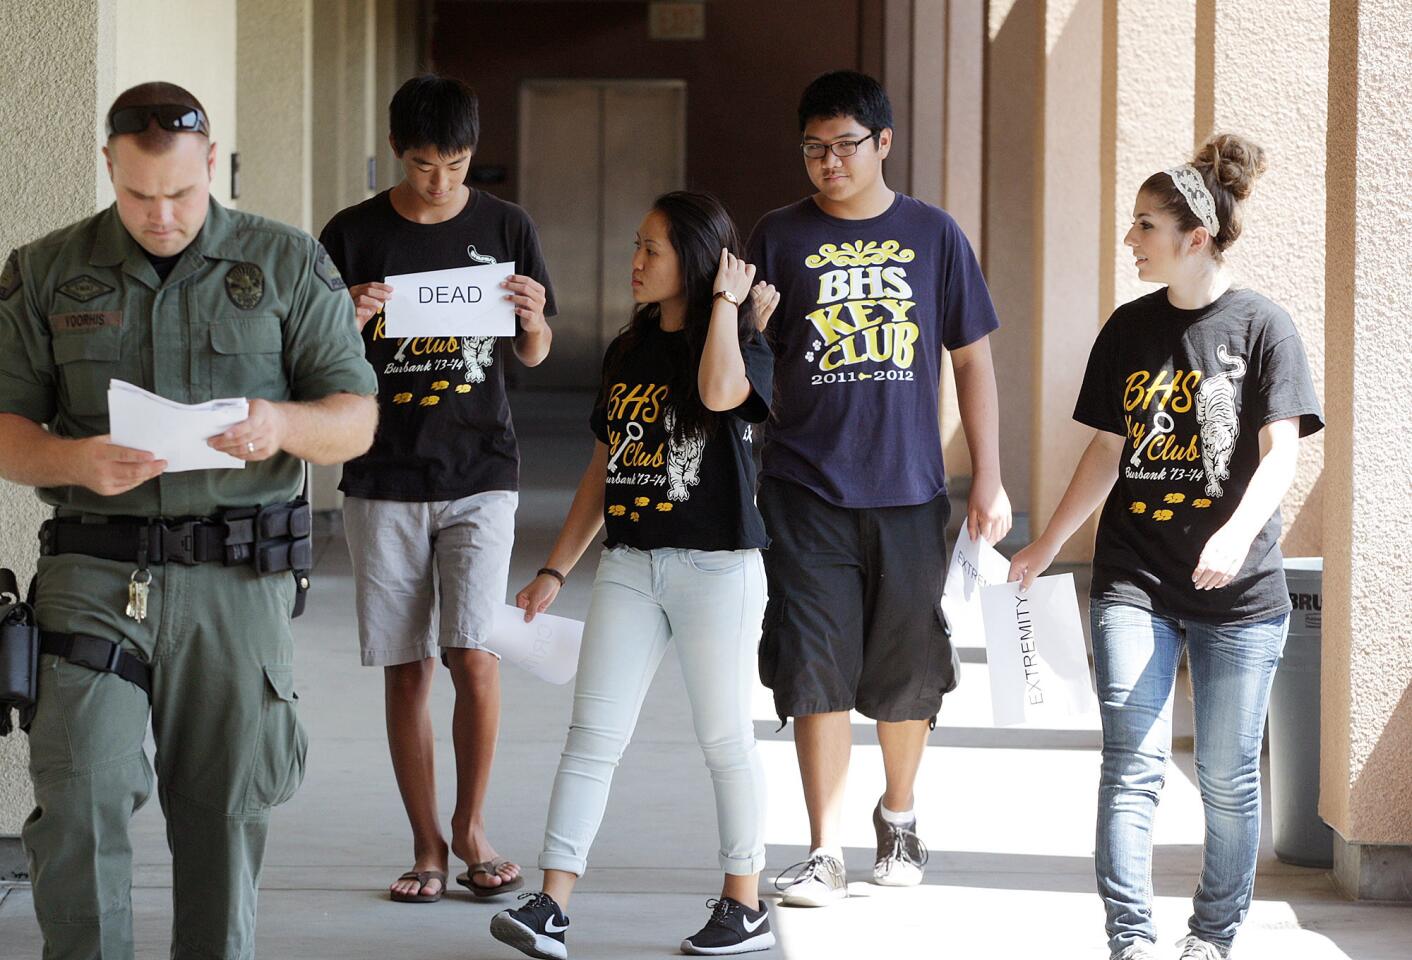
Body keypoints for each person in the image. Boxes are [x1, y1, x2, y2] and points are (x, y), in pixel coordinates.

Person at [0, 83, 378, 959]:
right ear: (108, 168)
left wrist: (281, 425)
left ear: (212, 163)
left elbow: (355, 417)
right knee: (81, 793)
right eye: (137, 195)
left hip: (235, 579)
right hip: (94, 574)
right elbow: (9, 429)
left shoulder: (285, 264)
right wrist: (73, 460)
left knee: (222, 812)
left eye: (179, 193)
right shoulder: (48, 269)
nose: (160, 215)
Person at [1007, 134, 1323, 960]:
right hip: (1135, 578)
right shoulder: (1129, 330)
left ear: (1197, 236)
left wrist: (1233, 530)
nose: (1131, 240)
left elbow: (1281, 450)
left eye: (1145, 225)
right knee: (1132, 764)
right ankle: (1133, 942)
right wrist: (1045, 545)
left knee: (1226, 777)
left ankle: (1211, 938)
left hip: (1241, 593)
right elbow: (1108, 451)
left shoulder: (1263, 328)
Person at [489, 192, 778, 959]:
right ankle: (551, 904)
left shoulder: (745, 342)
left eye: (652, 249)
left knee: (724, 740)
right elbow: (603, 464)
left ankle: (743, 904)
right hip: (629, 562)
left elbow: (720, 393)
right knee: (592, 737)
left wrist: (726, 304)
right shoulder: (628, 349)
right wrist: (556, 566)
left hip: (717, 567)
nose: (636, 263)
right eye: (636, 245)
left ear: (695, 260)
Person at [746, 70, 1011, 906]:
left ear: (884, 143)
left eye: (846, 146)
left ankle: (898, 816)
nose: (829, 163)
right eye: (814, 149)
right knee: (813, 663)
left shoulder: (933, 235)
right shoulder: (778, 235)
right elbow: (750, 354)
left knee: (905, 667)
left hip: (907, 489)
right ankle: (822, 848)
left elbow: (972, 361)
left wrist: (989, 478)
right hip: (803, 485)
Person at [318, 74, 555, 903]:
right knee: (407, 666)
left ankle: (471, 826)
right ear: (397, 153)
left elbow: (534, 352)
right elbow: (310, 362)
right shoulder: (352, 233)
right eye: (425, 165)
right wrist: (343, 319)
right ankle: (424, 844)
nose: (443, 182)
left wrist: (531, 319)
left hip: (482, 468)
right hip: (382, 472)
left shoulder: (506, 225)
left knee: (474, 653)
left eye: (457, 165)